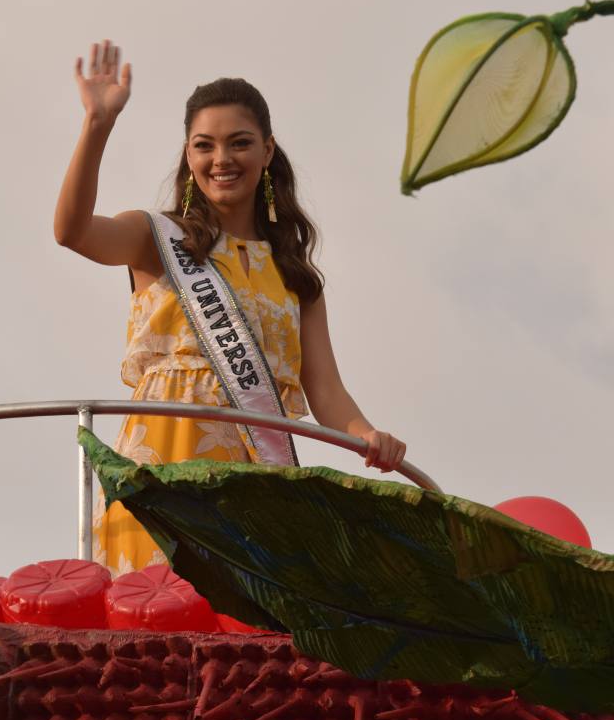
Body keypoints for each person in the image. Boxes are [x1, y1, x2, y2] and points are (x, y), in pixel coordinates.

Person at [54, 39, 406, 576]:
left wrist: (366, 436)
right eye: (204, 145)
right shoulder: (156, 239)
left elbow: (327, 391)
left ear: (267, 151)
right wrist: (97, 123)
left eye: (239, 143)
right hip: (163, 459)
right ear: (188, 154)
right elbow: (72, 232)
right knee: (151, 615)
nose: (221, 160)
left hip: (253, 473)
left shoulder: (294, 276)